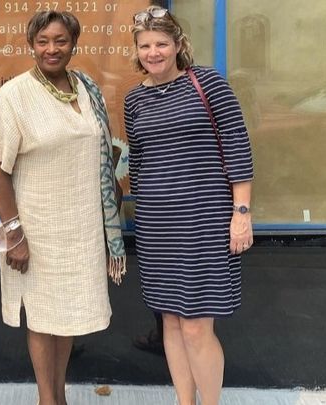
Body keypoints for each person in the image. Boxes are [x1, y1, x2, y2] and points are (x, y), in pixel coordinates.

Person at [0, 10, 125, 405]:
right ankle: (48, 399)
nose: (51, 48)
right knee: (43, 319)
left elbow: (101, 148)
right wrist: (14, 234)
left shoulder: (87, 88)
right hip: (36, 229)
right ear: (31, 44)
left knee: (67, 316)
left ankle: (58, 396)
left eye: (60, 40)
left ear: (73, 44)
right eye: (43, 40)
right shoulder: (13, 95)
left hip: (81, 226)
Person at [124, 6, 254, 405]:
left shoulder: (208, 83)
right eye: (145, 45)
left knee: (197, 325)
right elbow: (140, 162)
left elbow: (237, 147)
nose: (154, 52)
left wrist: (241, 213)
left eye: (161, 43)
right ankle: (185, 401)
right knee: (170, 320)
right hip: (158, 225)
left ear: (178, 45)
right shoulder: (134, 100)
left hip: (206, 222)